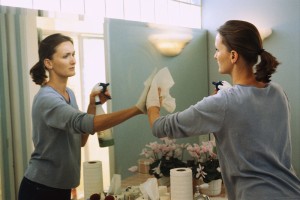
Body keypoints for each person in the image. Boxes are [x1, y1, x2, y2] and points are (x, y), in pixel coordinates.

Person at [147, 20, 300, 199]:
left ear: (233, 55)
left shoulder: (224, 102)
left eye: (218, 49)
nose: (215, 56)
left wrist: (151, 103)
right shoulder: (277, 91)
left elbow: (160, 127)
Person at [18, 33, 152, 200]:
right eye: (66, 56)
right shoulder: (47, 99)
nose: (73, 60)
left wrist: (92, 105)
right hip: (40, 189)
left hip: (61, 188)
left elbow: (80, 140)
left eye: (73, 54)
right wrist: (137, 109)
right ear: (48, 63)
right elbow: (85, 123)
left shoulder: (69, 94)